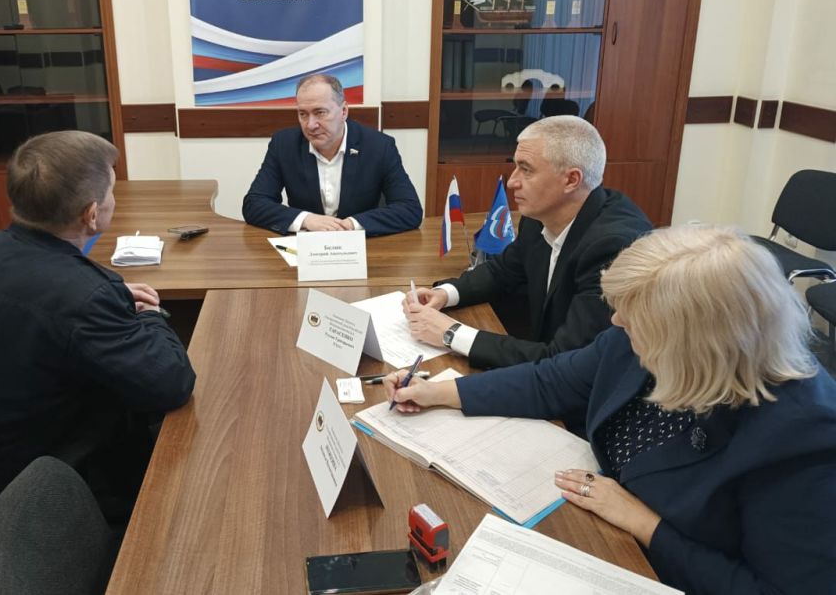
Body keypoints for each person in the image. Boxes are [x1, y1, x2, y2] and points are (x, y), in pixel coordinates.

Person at [385, 225, 836, 595]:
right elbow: (550, 381)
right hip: (587, 529)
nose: (617, 323)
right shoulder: (635, 339)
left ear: (697, 345)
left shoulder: (803, 440)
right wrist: (438, 392)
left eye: (633, 319)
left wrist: (644, 522)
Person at [0, 131, 196, 569]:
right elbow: (171, 382)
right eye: (112, 191)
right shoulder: (82, 298)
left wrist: (106, 294)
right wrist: (150, 315)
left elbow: (33, 300)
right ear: (91, 214)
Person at [404, 115, 651, 369]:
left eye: (526, 169)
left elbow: (564, 361)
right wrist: (444, 294)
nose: (512, 181)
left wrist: (451, 334)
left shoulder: (614, 248)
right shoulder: (539, 217)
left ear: (571, 180)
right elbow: (502, 271)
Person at [242, 74, 422, 236]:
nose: (310, 125)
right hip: (305, 249)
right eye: (303, 114)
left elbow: (410, 208)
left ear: (343, 111)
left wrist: (351, 225)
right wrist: (306, 219)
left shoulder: (379, 146)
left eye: (320, 113)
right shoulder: (284, 144)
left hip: (363, 249)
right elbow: (254, 204)